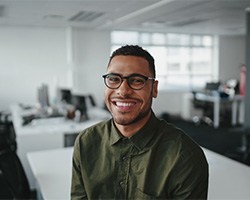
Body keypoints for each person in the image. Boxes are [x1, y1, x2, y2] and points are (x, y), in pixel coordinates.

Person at [71, 45, 209, 199]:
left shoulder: (184, 156)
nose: (123, 91)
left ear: (154, 89)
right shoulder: (86, 142)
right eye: (114, 79)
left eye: (137, 81)